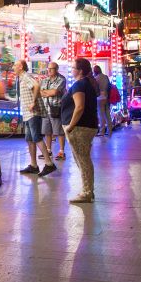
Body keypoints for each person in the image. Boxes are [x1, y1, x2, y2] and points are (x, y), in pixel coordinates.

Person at [62, 57, 100, 203]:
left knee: (83, 160)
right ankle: (88, 188)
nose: (71, 70)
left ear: (80, 71)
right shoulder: (86, 83)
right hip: (85, 126)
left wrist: (70, 126)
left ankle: (86, 192)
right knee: (82, 159)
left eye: (73, 68)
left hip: (80, 128)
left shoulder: (80, 85)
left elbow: (79, 107)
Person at [16, 60, 54, 176]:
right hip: (28, 114)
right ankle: (33, 165)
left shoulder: (26, 76)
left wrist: (33, 102)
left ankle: (49, 164)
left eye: (15, 65)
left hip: (33, 113)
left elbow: (36, 85)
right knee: (30, 139)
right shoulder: (22, 78)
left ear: (21, 66)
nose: (13, 67)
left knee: (36, 137)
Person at [40, 62, 68, 160]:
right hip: (45, 109)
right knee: (47, 131)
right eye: (49, 68)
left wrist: (47, 92)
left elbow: (55, 91)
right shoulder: (45, 80)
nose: (49, 70)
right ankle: (48, 151)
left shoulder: (61, 79)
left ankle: (61, 152)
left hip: (56, 108)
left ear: (57, 69)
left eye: (52, 68)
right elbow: (40, 92)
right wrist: (49, 93)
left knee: (59, 131)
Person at [92, 64, 112, 137]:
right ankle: (110, 130)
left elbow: (94, 89)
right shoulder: (106, 77)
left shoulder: (96, 78)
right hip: (106, 97)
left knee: (101, 115)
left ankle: (102, 131)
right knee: (107, 114)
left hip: (99, 98)